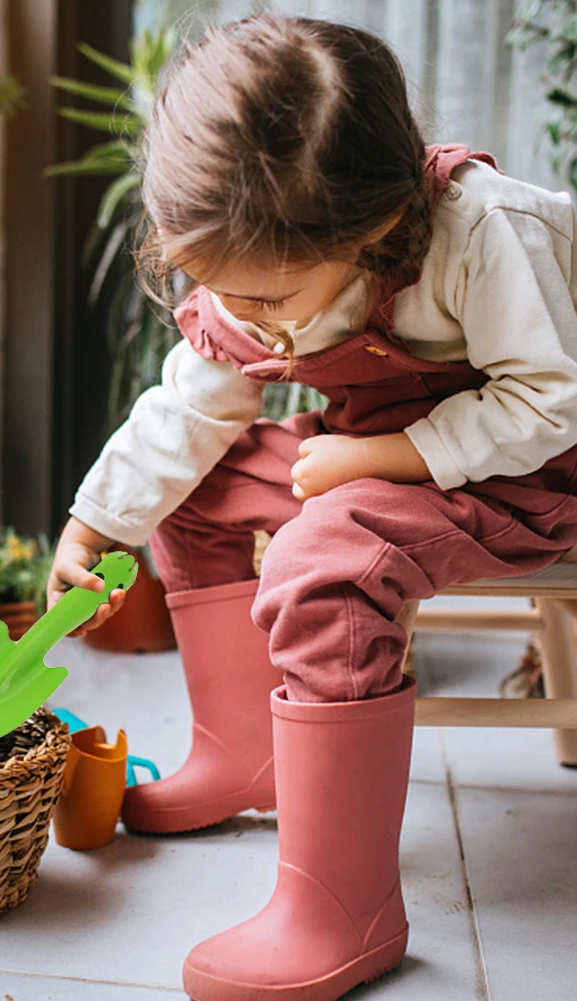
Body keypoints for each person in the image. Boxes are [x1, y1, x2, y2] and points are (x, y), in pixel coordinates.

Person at [45, 13, 577, 1001]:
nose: (246, 320)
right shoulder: (252, 265)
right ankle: (245, 752)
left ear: (371, 230)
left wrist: (374, 456)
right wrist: (98, 519)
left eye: (273, 303)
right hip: (374, 453)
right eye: (219, 292)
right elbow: (191, 403)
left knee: (321, 561)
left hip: (530, 472)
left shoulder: (483, 233)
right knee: (196, 486)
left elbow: (546, 400)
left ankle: (346, 907)